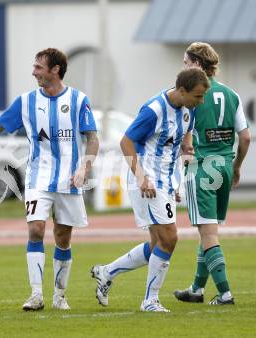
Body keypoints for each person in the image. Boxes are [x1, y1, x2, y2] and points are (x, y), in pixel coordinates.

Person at [0, 48, 99, 311]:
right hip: (37, 177)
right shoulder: (26, 101)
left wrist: (84, 168)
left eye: (39, 67)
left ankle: (59, 295)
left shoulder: (78, 100)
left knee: (63, 237)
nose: (33, 72)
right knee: (36, 229)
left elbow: (92, 138)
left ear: (55, 70)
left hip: (68, 180)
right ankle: (36, 294)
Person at [91, 68, 210, 312]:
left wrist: (179, 175)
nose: (202, 101)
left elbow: (183, 144)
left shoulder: (190, 110)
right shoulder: (154, 110)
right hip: (146, 181)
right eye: (198, 96)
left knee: (158, 242)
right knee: (170, 238)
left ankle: (107, 272)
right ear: (182, 91)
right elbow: (126, 141)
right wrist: (141, 176)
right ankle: (150, 300)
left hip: (165, 182)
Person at [174, 42, 250, 305]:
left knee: (208, 233)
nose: (183, 67)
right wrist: (237, 166)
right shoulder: (232, 94)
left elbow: (181, 134)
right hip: (225, 166)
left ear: (197, 63)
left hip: (201, 165)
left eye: (186, 62)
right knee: (209, 229)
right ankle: (196, 288)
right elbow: (246, 137)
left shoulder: (191, 94)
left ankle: (225, 293)